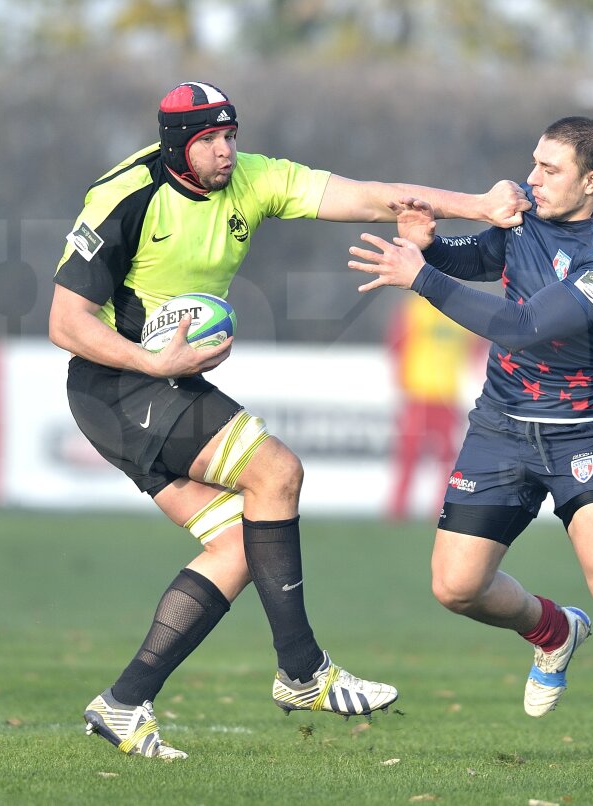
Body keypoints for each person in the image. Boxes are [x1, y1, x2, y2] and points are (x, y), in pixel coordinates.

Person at [48, 80, 530, 760]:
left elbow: (377, 194)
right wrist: (151, 364)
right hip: (118, 384)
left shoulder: (254, 178)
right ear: (176, 145)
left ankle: (125, 702)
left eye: (230, 135)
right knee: (277, 472)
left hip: (154, 387)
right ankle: (302, 671)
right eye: (209, 140)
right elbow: (64, 322)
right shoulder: (123, 198)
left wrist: (478, 205)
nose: (225, 151)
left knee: (242, 548)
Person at [347, 116, 593, 773]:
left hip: (584, 428)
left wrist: (418, 276)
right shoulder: (525, 217)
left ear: (591, 182)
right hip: (502, 424)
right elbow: (475, 261)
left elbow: (524, 327)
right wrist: (430, 245)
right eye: (534, 163)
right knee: (455, 586)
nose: (531, 178)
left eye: (550, 169)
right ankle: (555, 631)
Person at [386, 294, 480, 521]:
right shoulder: (415, 309)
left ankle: (442, 508)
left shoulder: (460, 313)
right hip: (419, 393)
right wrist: (401, 381)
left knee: (448, 457)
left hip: (446, 396)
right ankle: (398, 509)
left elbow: (476, 348)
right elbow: (396, 345)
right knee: (409, 454)